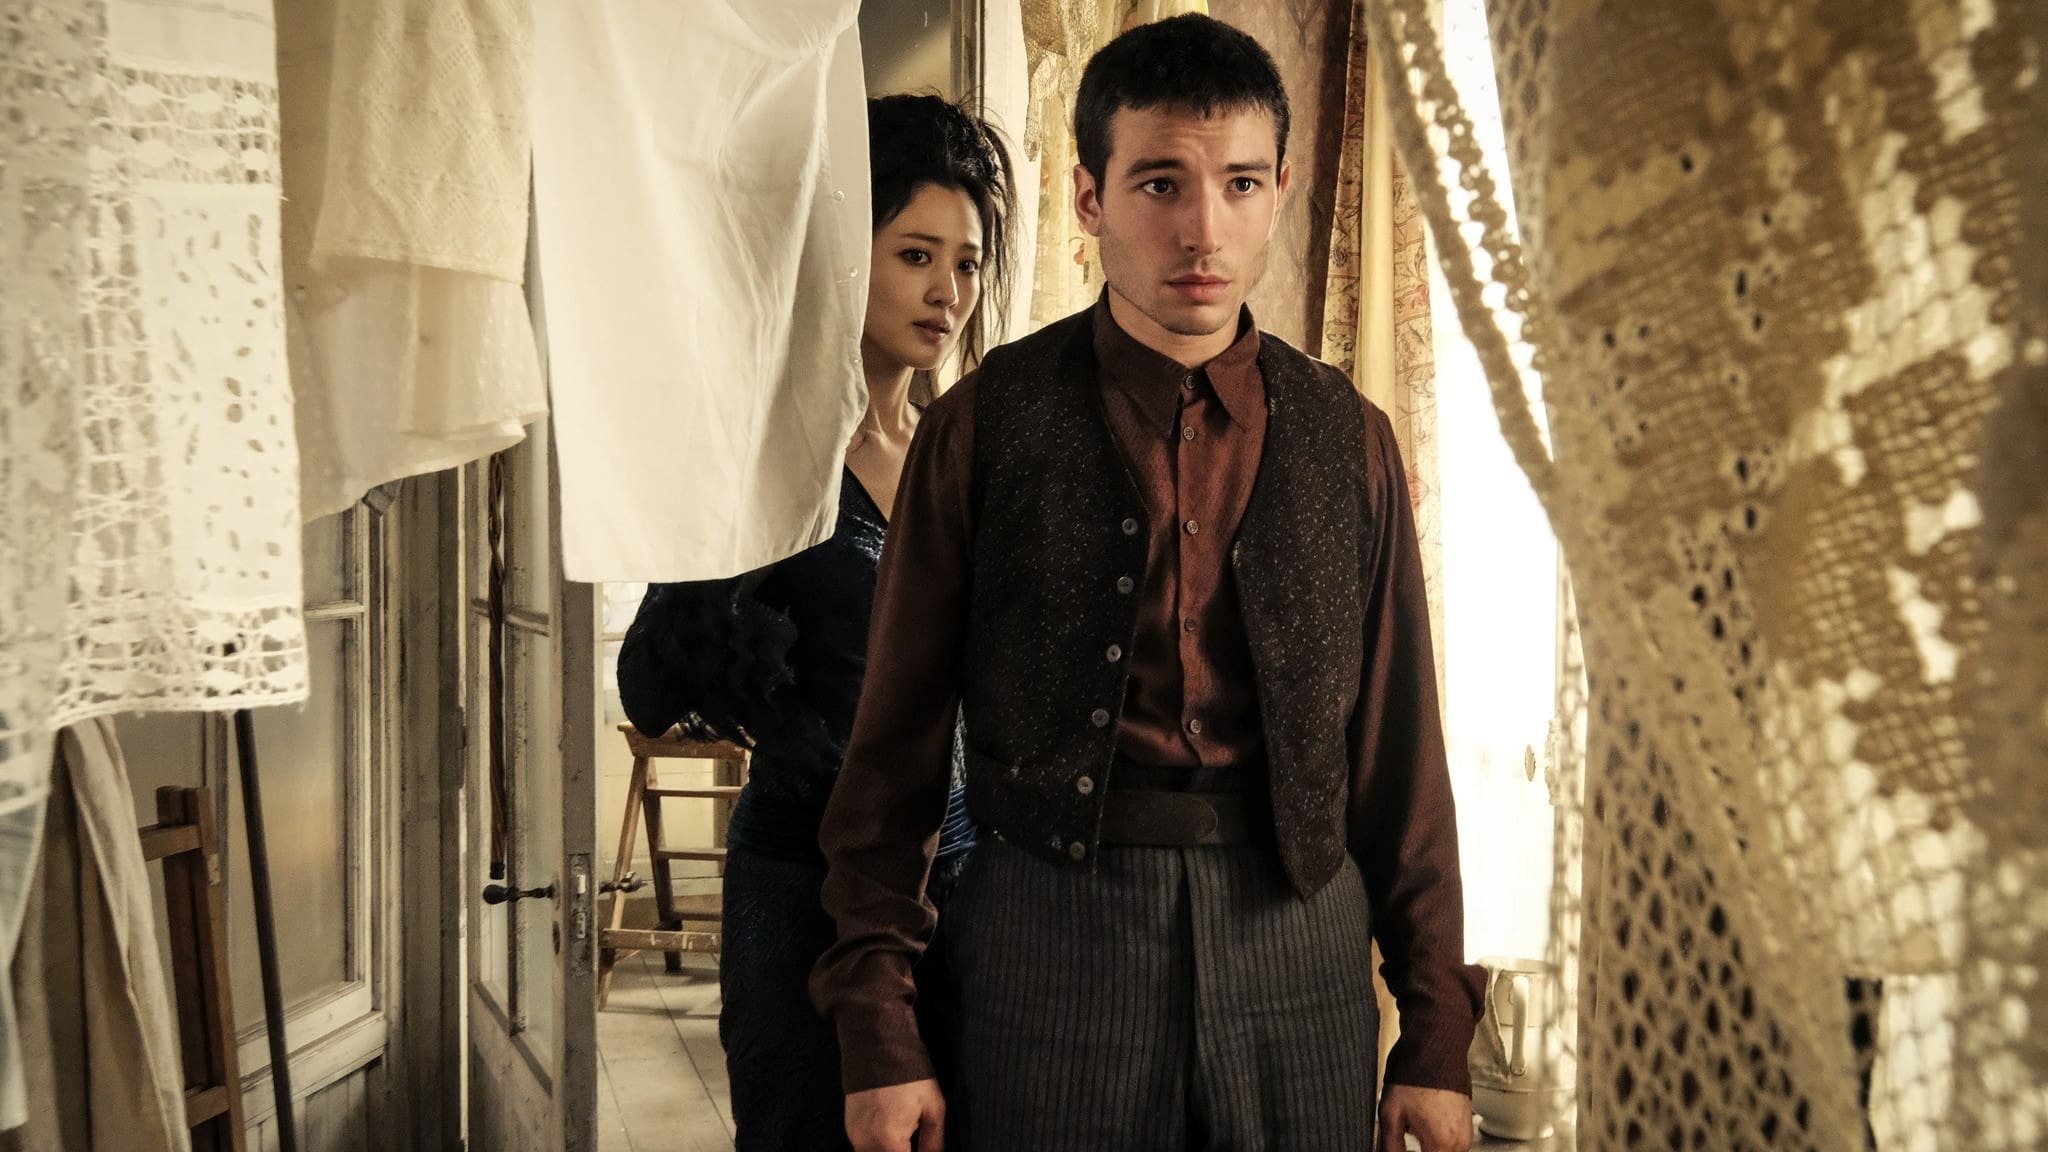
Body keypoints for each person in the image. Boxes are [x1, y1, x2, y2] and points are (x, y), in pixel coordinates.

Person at [812, 15, 1484, 1152]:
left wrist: (1435, 1034)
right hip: (1047, 946)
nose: (1202, 229)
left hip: (1298, 952)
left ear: (1279, 192)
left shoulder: (1349, 437)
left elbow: (1402, 760)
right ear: (1090, 197)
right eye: (1160, 184)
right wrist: (879, 1030)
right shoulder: (983, 426)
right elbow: (893, 756)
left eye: (1239, 184)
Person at [616, 93, 1014, 1152]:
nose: (947, 292)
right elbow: (648, 685)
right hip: (802, 888)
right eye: (915, 255)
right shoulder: (770, 455)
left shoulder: (961, 451)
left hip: (963, 887)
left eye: (967, 263)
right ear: (843, 257)